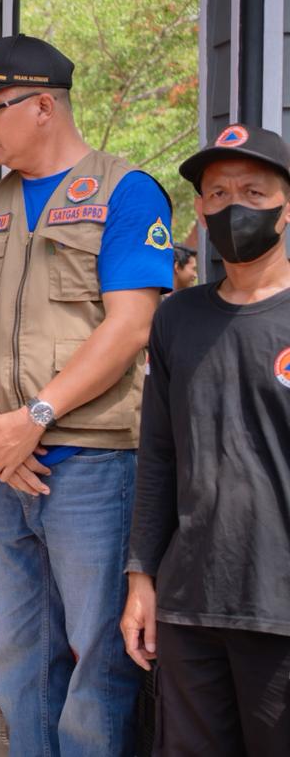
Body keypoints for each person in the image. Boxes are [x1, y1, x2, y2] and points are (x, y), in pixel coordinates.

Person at [0, 34, 173, 756]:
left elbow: (131, 326)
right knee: (18, 656)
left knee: (99, 657)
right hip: (3, 464)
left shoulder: (124, 190)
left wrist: (34, 417)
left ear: (44, 105)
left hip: (94, 464)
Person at [121, 123, 290, 753]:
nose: (233, 206)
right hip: (190, 604)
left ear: (286, 205)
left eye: (253, 190)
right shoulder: (177, 319)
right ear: (199, 208)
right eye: (217, 194)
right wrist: (142, 579)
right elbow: (158, 456)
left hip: (280, 608)